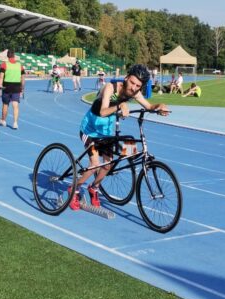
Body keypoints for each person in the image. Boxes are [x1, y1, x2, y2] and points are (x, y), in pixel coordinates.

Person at [70, 64, 170, 211]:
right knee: (95, 164)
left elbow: (149, 106)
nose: (134, 87)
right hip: (90, 130)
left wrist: (159, 106)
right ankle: (75, 189)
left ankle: (94, 188)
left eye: (138, 85)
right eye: (132, 82)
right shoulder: (110, 87)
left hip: (106, 131)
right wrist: (120, 106)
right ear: (126, 78)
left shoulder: (135, 93)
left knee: (108, 164)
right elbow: (103, 112)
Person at [0, 49, 25, 129]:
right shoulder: (20, 65)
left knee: (5, 104)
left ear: (7, 56)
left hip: (7, 86)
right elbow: (23, 78)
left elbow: (1, 77)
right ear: (14, 56)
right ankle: (15, 123)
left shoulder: (4, 64)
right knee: (15, 105)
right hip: (17, 86)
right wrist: (22, 88)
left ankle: (3, 120)